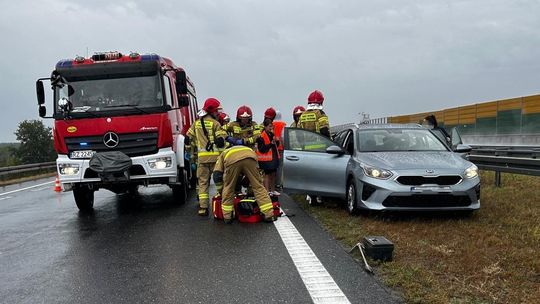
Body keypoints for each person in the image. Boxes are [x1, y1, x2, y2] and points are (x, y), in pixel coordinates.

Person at [213, 146, 278, 223]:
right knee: (258, 186)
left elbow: (216, 175)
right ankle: (269, 215)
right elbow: (252, 175)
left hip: (232, 160)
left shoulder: (223, 154)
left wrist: (221, 191)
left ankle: (228, 217)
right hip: (251, 157)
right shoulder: (246, 148)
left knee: (229, 188)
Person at [187, 97, 227, 216]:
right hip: (215, 159)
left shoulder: (196, 123)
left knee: (203, 183)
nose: (217, 113)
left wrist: (191, 155)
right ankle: (223, 204)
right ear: (212, 111)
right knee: (220, 182)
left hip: (202, 159)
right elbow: (221, 140)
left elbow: (188, 138)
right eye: (216, 111)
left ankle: (203, 208)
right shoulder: (215, 123)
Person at [256, 119, 280, 195]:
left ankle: (273, 190)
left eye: (272, 126)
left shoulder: (272, 134)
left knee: (273, 174)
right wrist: (271, 144)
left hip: (273, 158)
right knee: (267, 175)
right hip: (265, 159)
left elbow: (277, 145)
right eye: (269, 126)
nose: (271, 128)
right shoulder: (261, 136)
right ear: (265, 127)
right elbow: (262, 149)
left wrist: (276, 141)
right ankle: (267, 191)